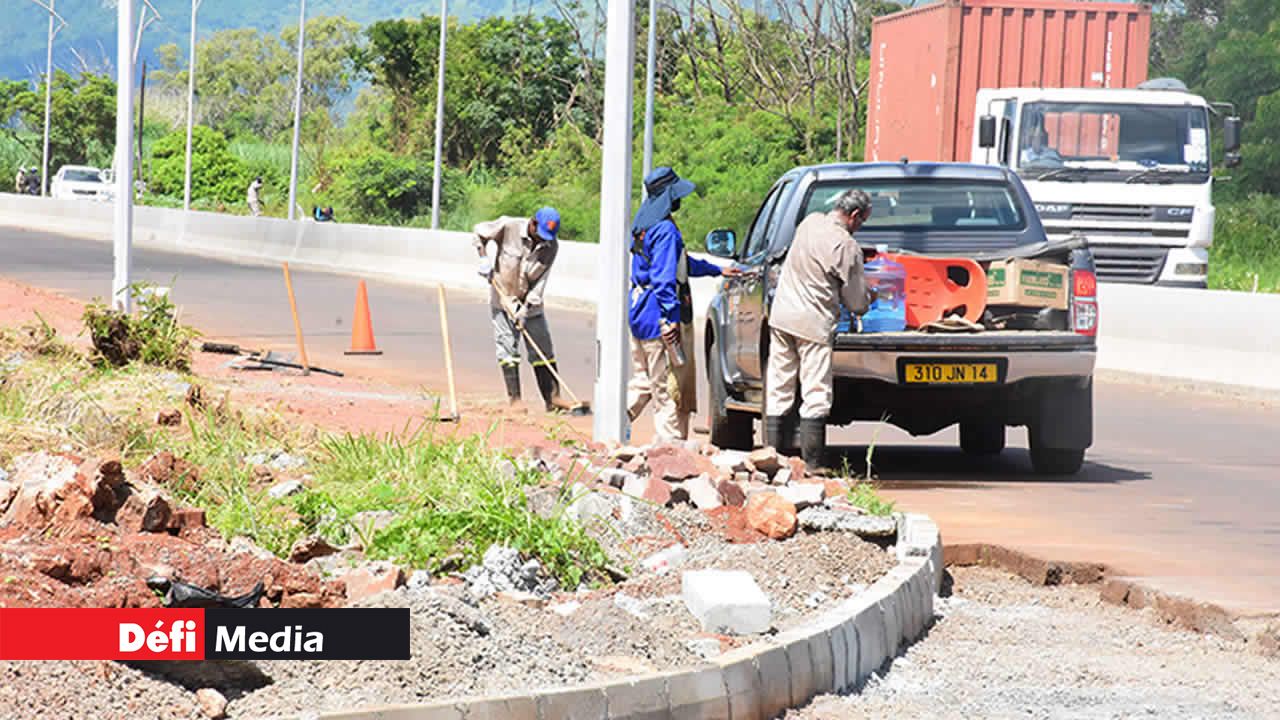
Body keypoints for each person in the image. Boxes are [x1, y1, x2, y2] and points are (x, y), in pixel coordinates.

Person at [627, 167, 740, 442]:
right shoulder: (665, 230)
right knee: (669, 389)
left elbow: (678, 263)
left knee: (645, 380)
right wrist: (671, 319)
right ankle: (671, 450)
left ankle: (613, 421)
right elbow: (665, 278)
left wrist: (714, 269)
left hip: (640, 312)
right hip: (658, 316)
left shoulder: (644, 225)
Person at [765, 189, 873, 469]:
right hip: (812, 323)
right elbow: (856, 301)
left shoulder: (810, 222)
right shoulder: (845, 246)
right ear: (854, 216)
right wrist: (871, 297)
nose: (860, 227)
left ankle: (771, 461)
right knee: (815, 393)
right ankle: (812, 465)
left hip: (782, 316)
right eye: (862, 221)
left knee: (779, 388)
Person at [474, 208, 563, 411]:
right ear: (532, 223)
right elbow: (479, 232)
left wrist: (525, 310)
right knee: (507, 348)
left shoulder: (551, 246)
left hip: (530, 304)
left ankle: (553, 399)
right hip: (503, 297)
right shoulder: (509, 226)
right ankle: (515, 399)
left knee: (543, 349)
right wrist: (483, 258)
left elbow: (540, 283)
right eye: (539, 234)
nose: (542, 240)